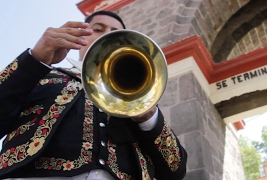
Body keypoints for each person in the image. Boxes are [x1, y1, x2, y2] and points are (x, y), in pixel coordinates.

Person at [0, 10, 187, 180]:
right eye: (98, 29)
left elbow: (175, 169)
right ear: (80, 34)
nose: (107, 34)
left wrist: (149, 118)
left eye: (115, 32)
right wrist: (34, 61)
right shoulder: (42, 75)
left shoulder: (140, 101)